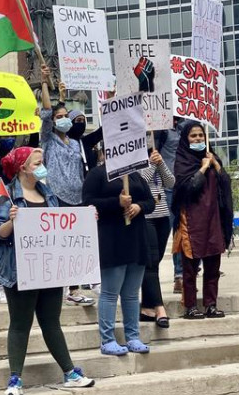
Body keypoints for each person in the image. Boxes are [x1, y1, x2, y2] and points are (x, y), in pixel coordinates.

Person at [0, 147, 94, 394]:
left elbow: (60, 226)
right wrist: (10, 223)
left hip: (49, 270)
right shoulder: (6, 196)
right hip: (19, 272)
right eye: (37, 163)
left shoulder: (48, 193)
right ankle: (15, 379)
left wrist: (87, 218)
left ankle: (69, 372)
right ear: (23, 167)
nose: (42, 166)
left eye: (42, 162)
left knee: (51, 322)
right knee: (20, 324)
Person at [83, 146, 155, 354]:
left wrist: (139, 207)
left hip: (136, 239)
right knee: (110, 293)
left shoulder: (135, 175)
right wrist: (117, 202)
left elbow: (150, 201)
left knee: (132, 294)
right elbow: (88, 202)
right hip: (111, 239)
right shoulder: (97, 175)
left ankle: (133, 336)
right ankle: (107, 339)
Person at [38, 67, 94, 307]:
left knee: (75, 245)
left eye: (65, 117)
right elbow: (48, 113)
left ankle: (74, 288)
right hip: (58, 197)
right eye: (58, 117)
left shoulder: (74, 144)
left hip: (77, 197)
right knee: (60, 245)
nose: (61, 119)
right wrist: (45, 84)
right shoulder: (48, 139)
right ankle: (58, 286)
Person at [171, 122, 233, 319]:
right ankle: (190, 306)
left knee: (213, 267)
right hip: (191, 220)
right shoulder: (182, 161)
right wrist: (203, 169)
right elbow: (188, 188)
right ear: (185, 139)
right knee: (190, 269)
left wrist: (215, 165)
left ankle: (211, 304)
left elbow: (225, 184)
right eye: (193, 136)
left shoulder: (212, 158)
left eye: (201, 136)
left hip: (213, 220)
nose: (198, 139)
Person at [138, 146, 173, 328]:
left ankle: (146, 306)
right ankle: (159, 308)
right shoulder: (135, 159)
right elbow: (140, 183)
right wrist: (151, 164)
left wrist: (161, 163)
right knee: (150, 263)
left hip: (162, 215)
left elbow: (170, 182)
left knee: (154, 263)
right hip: (146, 216)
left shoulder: (156, 157)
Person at [155, 120, 184, 293]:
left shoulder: (185, 127)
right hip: (166, 188)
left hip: (183, 187)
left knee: (180, 234)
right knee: (162, 233)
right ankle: (152, 274)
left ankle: (179, 275)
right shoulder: (161, 131)